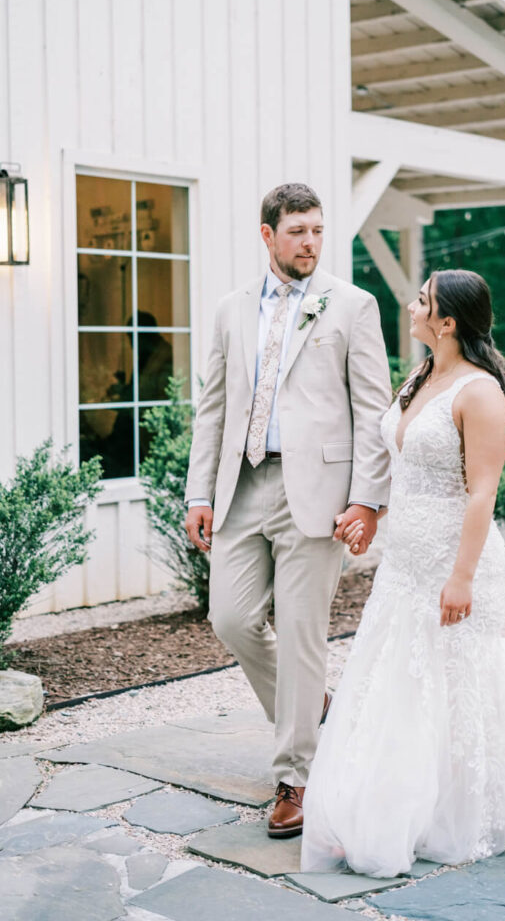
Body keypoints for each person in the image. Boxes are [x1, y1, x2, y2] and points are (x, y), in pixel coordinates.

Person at [302, 269, 505, 878]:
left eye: (421, 300)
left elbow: (482, 494)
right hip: (403, 561)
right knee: (395, 678)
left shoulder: (478, 392)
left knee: (452, 683)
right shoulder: (423, 375)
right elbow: (401, 463)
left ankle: (454, 811)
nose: (411, 304)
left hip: (458, 561)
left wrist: (460, 577)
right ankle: (386, 805)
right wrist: (370, 516)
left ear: (447, 321)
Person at [184, 183, 391, 839]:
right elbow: (212, 407)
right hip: (243, 487)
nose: (310, 241)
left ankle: (295, 777)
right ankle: (314, 705)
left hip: (319, 495)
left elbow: (372, 409)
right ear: (268, 234)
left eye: (317, 230)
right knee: (232, 618)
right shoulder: (230, 310)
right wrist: (199, 493)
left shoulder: (352, 306)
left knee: (303, 632)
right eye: (297, 230)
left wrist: (367, 499)